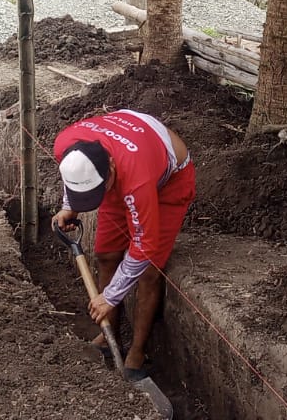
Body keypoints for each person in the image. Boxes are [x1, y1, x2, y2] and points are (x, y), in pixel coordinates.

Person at [50, 110, 196, 381]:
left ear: (111, 169)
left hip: (168, 181)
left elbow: (144, 246)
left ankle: (137, 353)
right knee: (106, 255)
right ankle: (110, 338)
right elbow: (74, 175)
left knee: (149, 271)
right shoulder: (66, 145)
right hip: (122, 172)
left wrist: (111, 296)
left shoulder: (136, 179)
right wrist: (70, 206)